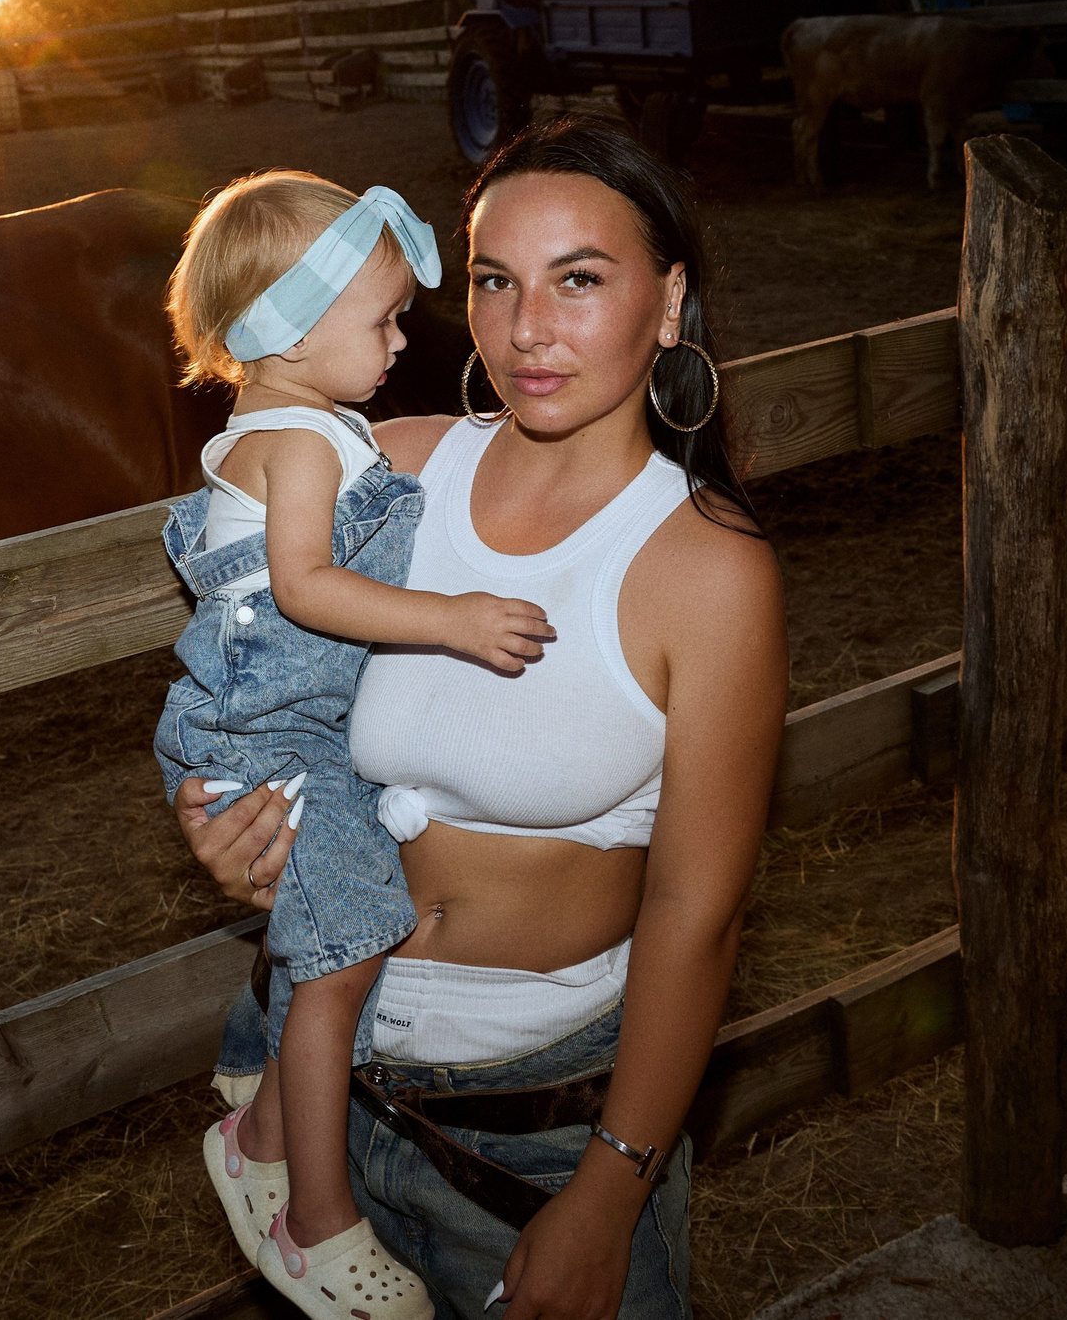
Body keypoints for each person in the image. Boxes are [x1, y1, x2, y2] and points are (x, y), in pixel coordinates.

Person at [176, 118, 789, 1320]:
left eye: (579, 280)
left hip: (540, 1130)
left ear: (668, 303)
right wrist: (221, 816)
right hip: (321, 1093)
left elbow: (696, 914)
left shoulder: (704, 570)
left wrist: (609, 1192)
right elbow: (242, 664)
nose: (525, 329)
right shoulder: (384, 473)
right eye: (496, 282)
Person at [156, 171, 556, 1320]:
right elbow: (305, 586)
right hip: (268, 734)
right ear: (287, 325)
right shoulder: (301, 445)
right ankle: (316, 1220)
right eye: (381, 317)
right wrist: (454, 621)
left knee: (348, 930)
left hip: (295, 731)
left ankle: (263, 1123)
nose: (397, 340)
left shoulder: (305, 428)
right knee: (337, 964)